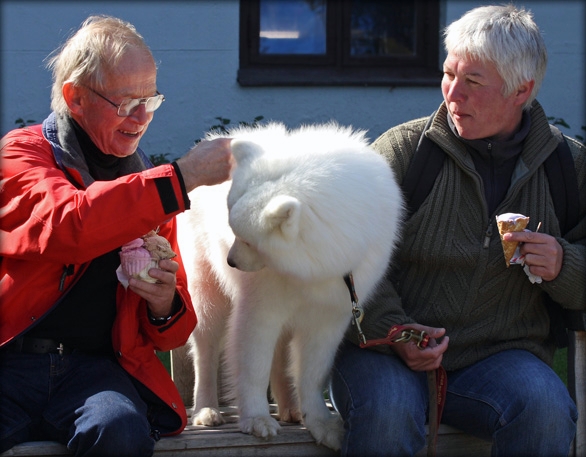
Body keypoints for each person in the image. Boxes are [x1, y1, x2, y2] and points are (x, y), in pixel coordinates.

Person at [329, 4, 585, 457]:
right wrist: (399, 333)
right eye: (449, 74)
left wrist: (565, 264)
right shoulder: (404, 151)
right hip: (384, 353)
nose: (452, 94)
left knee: (545, 409)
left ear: (520, 90)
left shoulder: (569, 166)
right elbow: (346, 257)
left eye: (473, 83)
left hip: (501, 357)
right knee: (388, 414)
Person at [0, 15, 233, 457]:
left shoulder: (148, 183)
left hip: (92, 371)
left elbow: (172, 336)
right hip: (10, 360)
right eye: (126, 102)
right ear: (76, 97)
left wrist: (163, 303)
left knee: (123, 430)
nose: (142, 118)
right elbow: (67, 226)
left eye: (151, 100)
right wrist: (182, 178)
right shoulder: (20, 153)